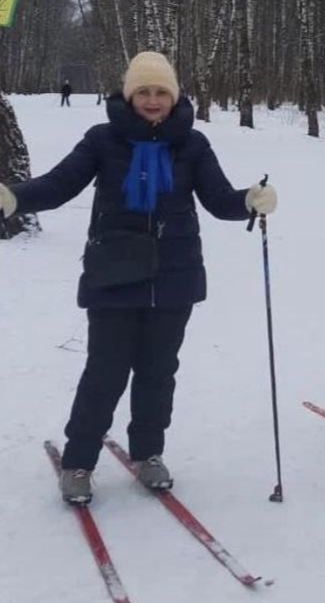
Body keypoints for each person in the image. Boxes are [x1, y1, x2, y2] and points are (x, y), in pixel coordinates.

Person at [0, 52, 278, 504]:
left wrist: (250, 199)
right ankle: (79, 461)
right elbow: (59, 184)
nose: (153, 100)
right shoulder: (102, 140)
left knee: (157, 373)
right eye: (143, 92)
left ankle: (148, 454)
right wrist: (15, 198)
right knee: (104, 374)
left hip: (174, 277)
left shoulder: (193, 144)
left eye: (161, 92)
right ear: (129, 97)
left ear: (174, 96)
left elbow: (218, 199)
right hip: (114, 274)